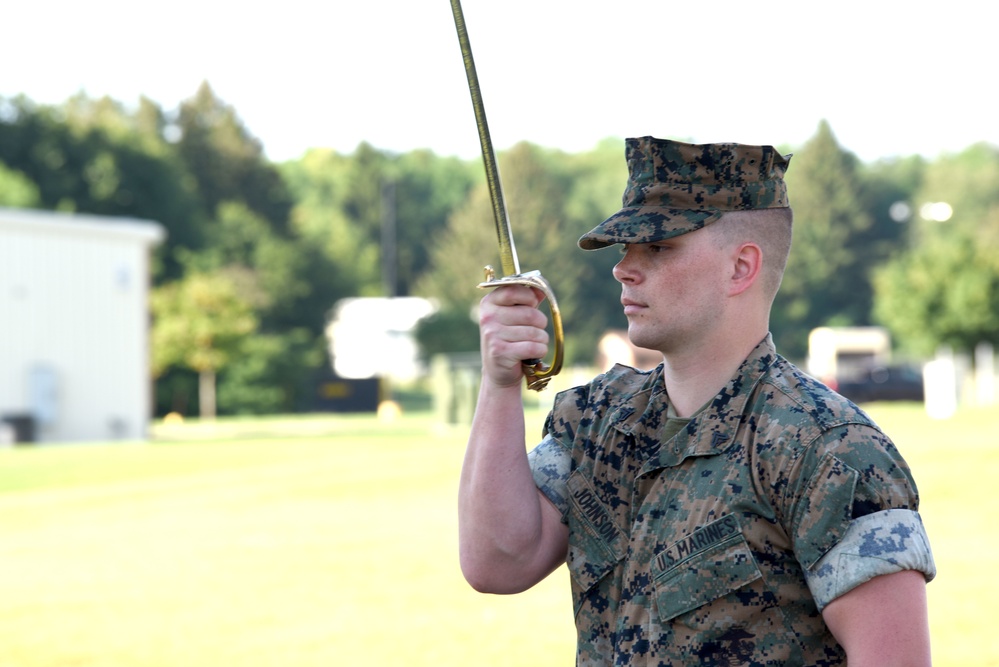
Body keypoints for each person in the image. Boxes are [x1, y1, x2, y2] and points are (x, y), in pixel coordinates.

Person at [458, 136, 936, 666]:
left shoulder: (829, 453)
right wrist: (500, 383)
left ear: (740, 268)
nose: (624, 268)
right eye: (624, 248)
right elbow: (498, 563)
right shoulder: (599, 422)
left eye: (658, 248)